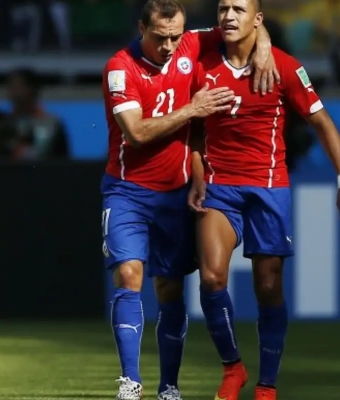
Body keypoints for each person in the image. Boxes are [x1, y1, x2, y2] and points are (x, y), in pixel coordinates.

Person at [100, 1, 278, 399]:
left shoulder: (190, 44)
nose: (168, 46)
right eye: (159, 37)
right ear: (141, 28)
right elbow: (136, 134)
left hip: (175, 193)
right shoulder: (120, 68)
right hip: (127, 191)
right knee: (129, 275)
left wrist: (264, 44)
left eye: (175, 37)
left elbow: (245, 28)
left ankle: (169, 387)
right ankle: (130, 382)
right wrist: (192, 109)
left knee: (169, 289)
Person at [188, 0, 340, 399]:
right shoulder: (201, 63)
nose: (229, 16)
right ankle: (232, 367)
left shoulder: (284, 67)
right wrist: (197, 171)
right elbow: (194, 130)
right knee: (211, 277)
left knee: (268, 287)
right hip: (219, 187)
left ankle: (267, 385)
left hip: (267, 188)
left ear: (258, 19)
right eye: (223, 8)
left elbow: (321, 122)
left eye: (238, 9)